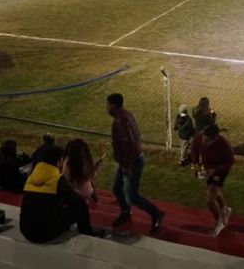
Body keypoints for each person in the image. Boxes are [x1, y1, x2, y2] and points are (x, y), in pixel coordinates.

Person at [20, 144, 104, 243]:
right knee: (82, 205)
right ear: (59, 161)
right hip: (45, 233)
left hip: (26, 231)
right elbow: (78, 202)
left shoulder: (31, 178)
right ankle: (87, 232)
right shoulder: (58, 180)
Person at [107, 93, 164, 233]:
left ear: (114, 105)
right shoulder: (125, 115)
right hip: (129, 160)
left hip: (132, 161)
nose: (107, 108)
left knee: (132, 196)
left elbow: (130, 144)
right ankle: (125, 212)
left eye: (108, 105)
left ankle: (156, 213)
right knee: (116, 187)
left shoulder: (121, 121)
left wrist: (126, 165)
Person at [191, 124, 235, 236]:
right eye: (203, 138)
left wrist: (215, 170)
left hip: (220, 170)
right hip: (208, 168)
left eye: (207, 140)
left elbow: (230, 162)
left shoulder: (224, 144)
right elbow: (194, 147)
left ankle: (219, 222)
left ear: (215, 139)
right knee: (215, 191)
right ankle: (225, 209)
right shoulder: (199, 138)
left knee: (210, 199)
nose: (204, 142)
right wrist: (196, 164)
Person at [62, 138, 103, 202]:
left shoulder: (67, 162)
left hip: (73, 194)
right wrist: (97, 167)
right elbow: (90, 175)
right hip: (86, 193)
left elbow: (65, 180)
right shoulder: (86, 161)